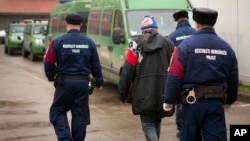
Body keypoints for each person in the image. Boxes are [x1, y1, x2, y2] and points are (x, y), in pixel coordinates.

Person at [162, 7, 238, 141]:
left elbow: (175, 76)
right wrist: (229, 101)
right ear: (214, 23)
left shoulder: (185, 47)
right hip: (216, 104)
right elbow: (233, 78)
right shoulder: (227, 48)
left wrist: (168, 100)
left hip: (191, 104)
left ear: (196, 23)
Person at [44, 13, 103, 141]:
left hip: (64, 83)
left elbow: (48, 62)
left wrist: (51, 76)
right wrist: (99, 82)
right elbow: (95, 64)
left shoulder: (57, 42)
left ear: (66, 24)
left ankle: (65, 139)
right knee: (80, 115)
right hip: (82, 85)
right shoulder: (89, 42)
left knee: (58, 111)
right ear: (81, 25)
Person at [119, 15, 174, 141]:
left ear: (142, 30)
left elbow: (127, 71)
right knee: (156, 121)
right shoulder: (169, 43)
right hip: (163, 90)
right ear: (156, 29)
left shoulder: (135, 44)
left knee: (148, 124)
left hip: (142, 92)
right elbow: (175, 69)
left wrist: (123, 94)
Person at [167, 10, 196, 138]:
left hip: (182, 76)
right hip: (198, 74)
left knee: (181, 101)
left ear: (176, 21)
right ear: (188, 19)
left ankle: (181, 126)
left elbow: (170, 60)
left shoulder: (171, 37)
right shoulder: (197, 33)